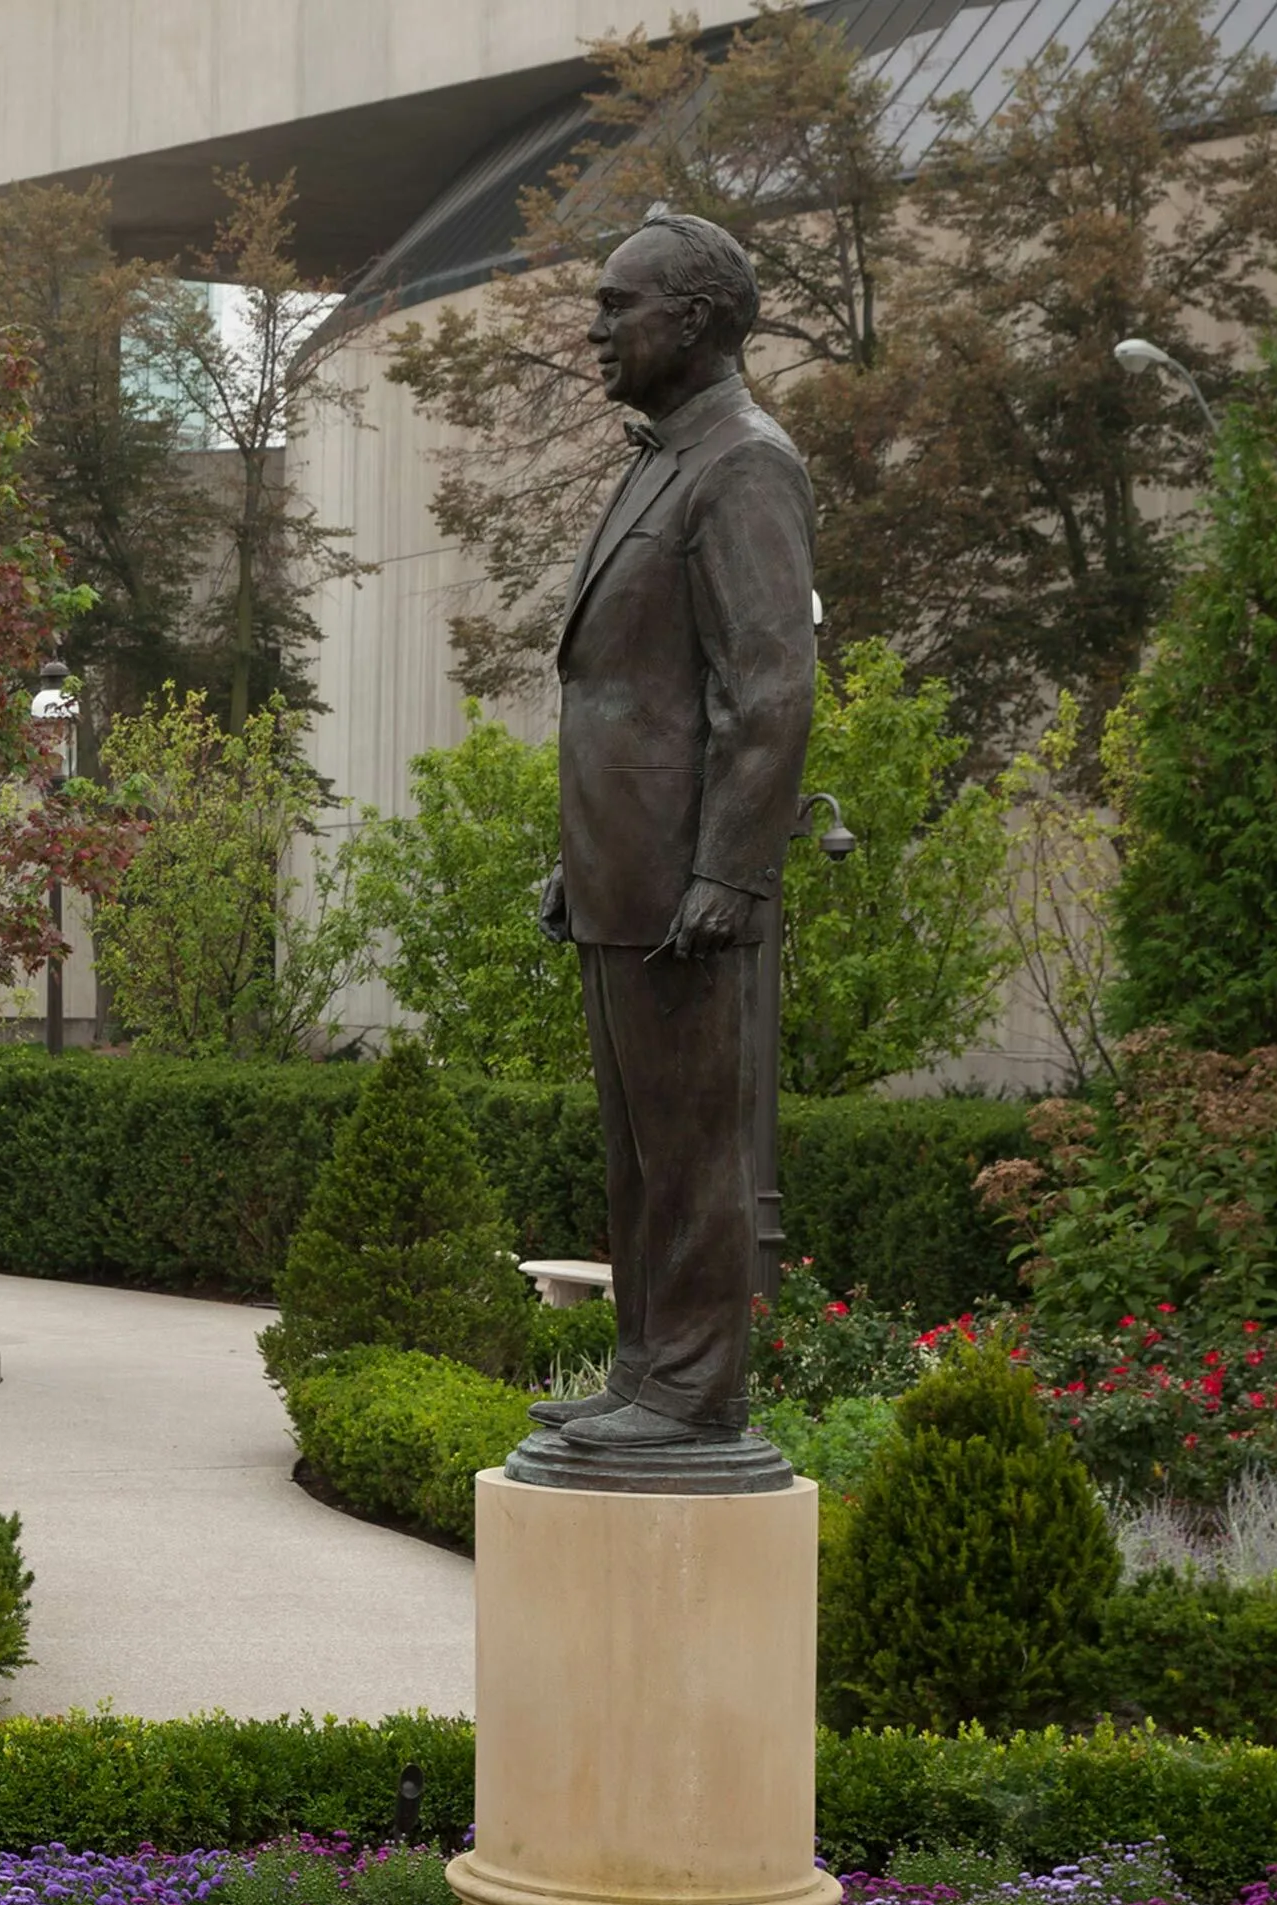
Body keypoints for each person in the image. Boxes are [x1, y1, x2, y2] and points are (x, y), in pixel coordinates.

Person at [528, 210, 816, 1462]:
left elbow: (769, 691)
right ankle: (645, 1367)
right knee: (640, 1148)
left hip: (688, 886)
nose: (595, 329)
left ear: (692, 320)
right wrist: (579, 857)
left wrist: (727, 871)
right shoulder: (662, 460)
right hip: (620, 872)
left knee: (695, 1147)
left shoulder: (745, 464)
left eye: (615, 306)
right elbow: (625, 693)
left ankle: (695, 1393)